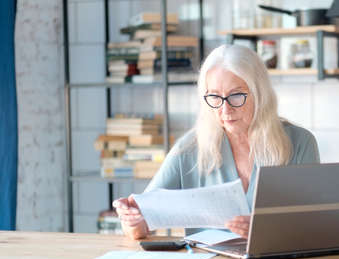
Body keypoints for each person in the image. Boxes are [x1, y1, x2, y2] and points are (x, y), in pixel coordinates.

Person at [113, 44, 320, 240]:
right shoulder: (189, 149)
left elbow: (315, 225)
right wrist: (132, 220)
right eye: (214, 97)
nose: (225, 110)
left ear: (260, 94)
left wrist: (268, 230)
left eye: (236, 96)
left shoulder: (300, 143)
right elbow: (140, 225)